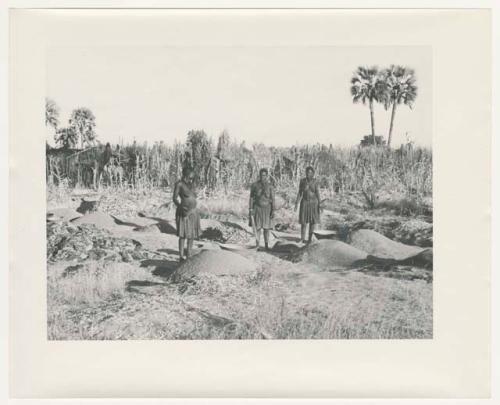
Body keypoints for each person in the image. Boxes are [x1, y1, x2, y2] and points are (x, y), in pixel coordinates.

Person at [173, 166, 201, 261]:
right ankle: (181, 256)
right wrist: (181, 207)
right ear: (187, 174)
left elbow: (194, 196)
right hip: (184, 212)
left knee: (191, 234)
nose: (192, 177)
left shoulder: (191, 185)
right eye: (191, 175)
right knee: (183, 234)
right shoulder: (179, 184)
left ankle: (189, 254)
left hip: (193, 212)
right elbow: (174, 198)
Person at [249, 168, 275, 250]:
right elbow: (251, 198)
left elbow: (273, 199)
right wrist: (250, 209)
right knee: (258, 227)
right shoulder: (254, 185)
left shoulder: (270, 186)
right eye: (261, 175)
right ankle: (257, 245)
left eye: (264, 175)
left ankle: (266, 246)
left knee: (266, 229)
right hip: (257, 208)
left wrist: (273, 210)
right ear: (259, 175)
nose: (262, 177)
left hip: (267, 209)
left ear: (267, 176)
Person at [295, 166, 321, 244]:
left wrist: (320, 204)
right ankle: (302, 239)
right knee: (303, 222)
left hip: (313, 203)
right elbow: (300, 193)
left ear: (313, 174)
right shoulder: (302, 181)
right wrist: (296, 203)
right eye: (307, 172)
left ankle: (309, 239)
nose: (308, 174)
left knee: (312, 222)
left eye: (310, 172)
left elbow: (317, 193)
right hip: (304, 202)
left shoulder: (315, 182)